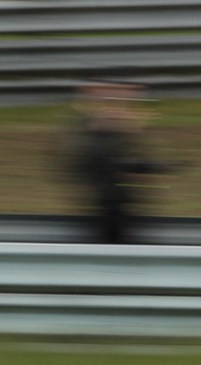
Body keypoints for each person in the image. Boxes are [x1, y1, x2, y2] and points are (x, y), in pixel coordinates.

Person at [67, 80, 163, 243]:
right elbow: (116, 166)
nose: (117, 111)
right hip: (109, 208)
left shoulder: (111, 137)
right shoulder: (97, 140)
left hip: (117, 206)